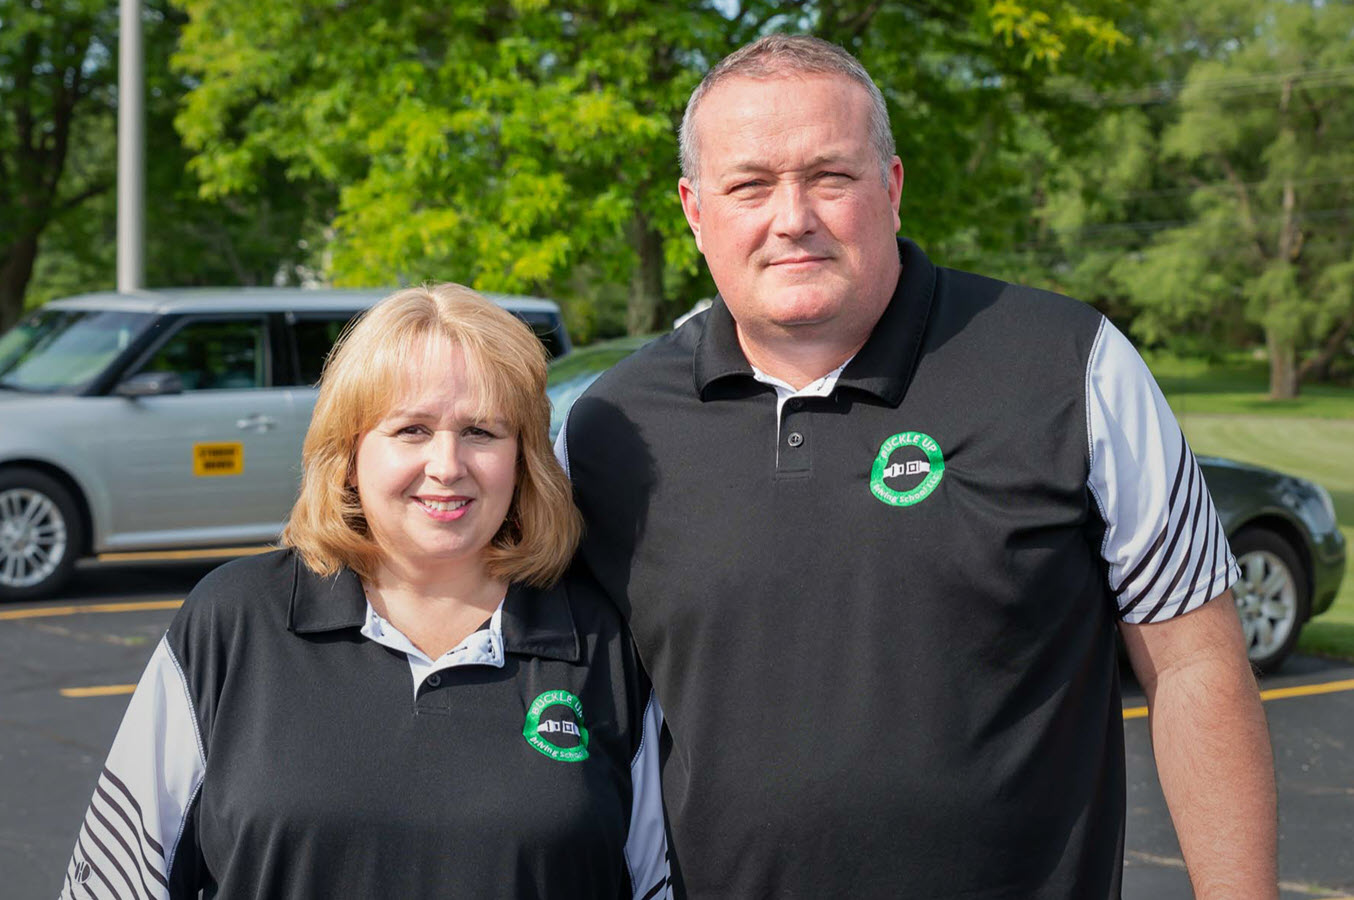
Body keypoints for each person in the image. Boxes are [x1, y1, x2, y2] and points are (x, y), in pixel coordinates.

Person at [557, 35, 1276, 899]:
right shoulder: (610, 427)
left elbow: (1195, 659)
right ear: (694, 209)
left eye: (831, 176)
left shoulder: (1071, 367)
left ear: (891, 188)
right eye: (750, 184)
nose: (793, 217)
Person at [60, 284, 669, 899]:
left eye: (481, 431)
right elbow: (112, 885)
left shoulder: (603, 642)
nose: (447, 464)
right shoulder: (232, 623)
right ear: (350, 451)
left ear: (524, 457)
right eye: (411, 429)